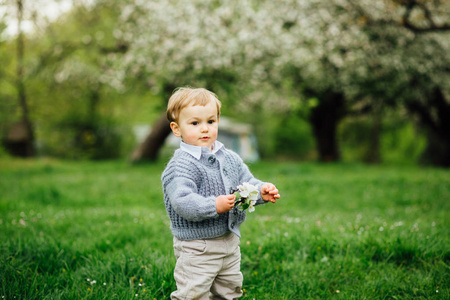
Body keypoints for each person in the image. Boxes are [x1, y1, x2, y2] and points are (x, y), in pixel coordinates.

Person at [161, 87, 280, 299]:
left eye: (211, 121)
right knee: (193, 293)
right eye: (195, 123)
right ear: (176, 129)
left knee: (229, 291)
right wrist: (213, 205)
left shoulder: (229, 157)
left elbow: (246, 183)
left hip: (229, 243)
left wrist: (261, 191)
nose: (205, 129)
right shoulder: (180, 166)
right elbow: (183, 202)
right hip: (197, 247)